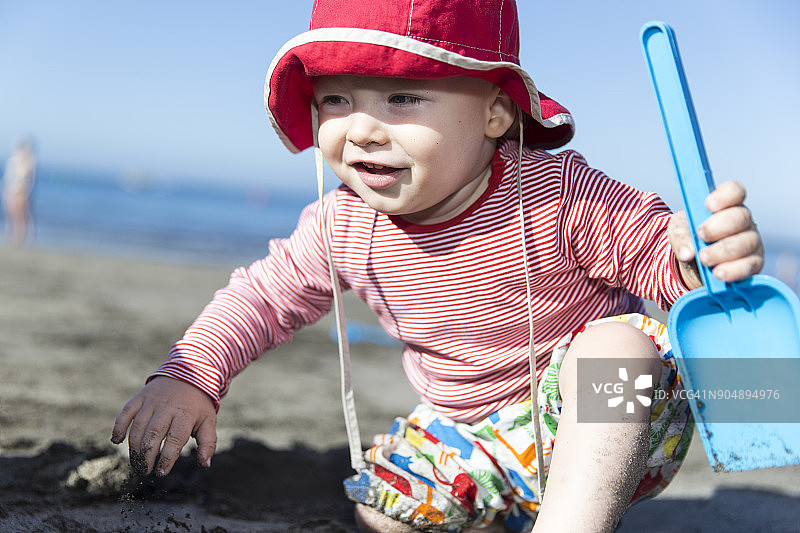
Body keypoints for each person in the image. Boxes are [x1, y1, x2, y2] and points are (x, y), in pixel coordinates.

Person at [111, 1, 764, 531]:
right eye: (338, 99)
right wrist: (192, 373)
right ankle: (501, 515)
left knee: (618, 346)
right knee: (377, 504)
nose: (362, 129)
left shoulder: (557, 194)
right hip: (465, 437)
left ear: (494, 112)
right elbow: (263, 297)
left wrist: (694, 257)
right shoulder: (343, 223)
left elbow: (651, 253)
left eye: (401, 98)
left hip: (603, 422)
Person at [2, 138, 37, 246]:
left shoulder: (29, 160)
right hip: (10, 188)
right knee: (11, 213)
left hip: (21, 190)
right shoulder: (14, 159)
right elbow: (8, 176)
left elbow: (27, 177)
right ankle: (11, 234)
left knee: (21, 214)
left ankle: (21, 237)